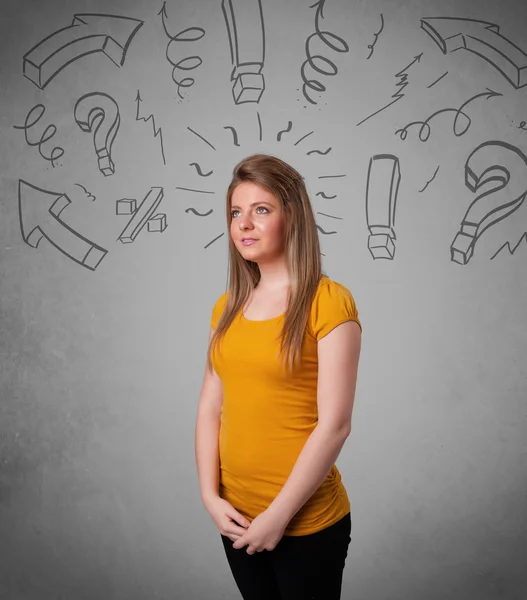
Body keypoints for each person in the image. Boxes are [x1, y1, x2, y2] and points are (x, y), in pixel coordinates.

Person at [195, 153, 362, 600]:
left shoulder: (329, 302)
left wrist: (278, 516)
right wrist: (211, 497)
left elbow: (336, 425)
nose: (244, 224)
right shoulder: (226, 307)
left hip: (305, 525)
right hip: (237, 518)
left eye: (261, 210)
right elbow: (212, 404)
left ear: (293, 217)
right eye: (236, 213)